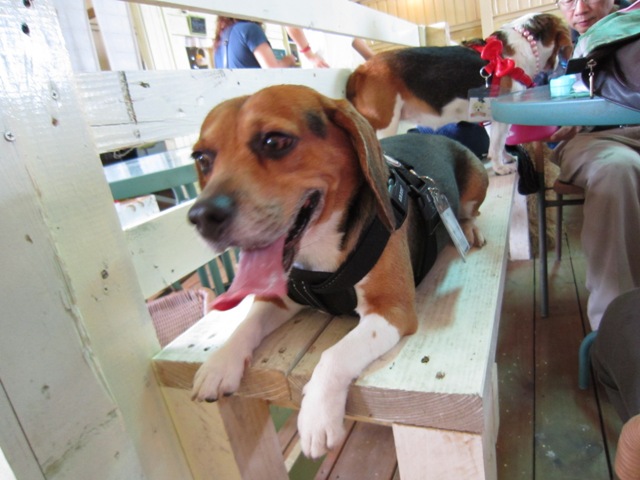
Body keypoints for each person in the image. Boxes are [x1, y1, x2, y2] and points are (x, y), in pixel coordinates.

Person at [550, 1, 640, 478]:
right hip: (600, 142)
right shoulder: (568, 50)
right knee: (616, 171)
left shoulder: (627, 25)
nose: (580, 7)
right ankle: (618, 338)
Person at [213, 17, 328, 69]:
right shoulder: (250, 29)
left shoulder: (220, 41)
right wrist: (288, 61)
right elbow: (273, 70)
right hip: (259, 102)